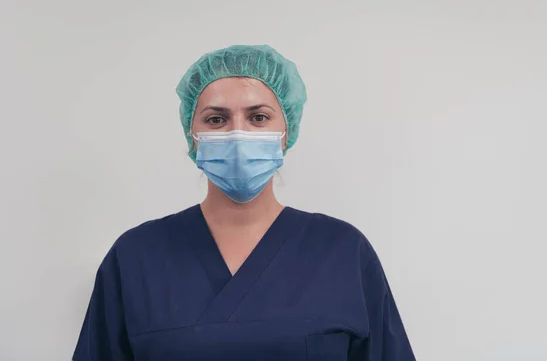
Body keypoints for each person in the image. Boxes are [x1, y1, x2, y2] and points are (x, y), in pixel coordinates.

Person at [72, 45, 416, 360]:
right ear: (193, 135)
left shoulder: (343, 253)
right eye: (216, 119)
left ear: (287, 132)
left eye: (258, 117)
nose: (238, 134)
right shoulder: (135, 258)